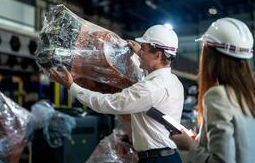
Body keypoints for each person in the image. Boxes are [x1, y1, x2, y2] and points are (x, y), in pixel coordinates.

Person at [50, 25, 184, 163]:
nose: (141, 53)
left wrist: (71, 86)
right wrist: (139, 53)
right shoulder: (174, 82)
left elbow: (107, 103)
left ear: (158, 55)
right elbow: (151, 81)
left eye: (143, 49)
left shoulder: (150, 89)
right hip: (169, 157)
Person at [171, 17, 255, 163]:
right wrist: (200, 140)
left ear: (211, 56)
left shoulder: (218, 96)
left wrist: (190, 145)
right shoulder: (249, 96)